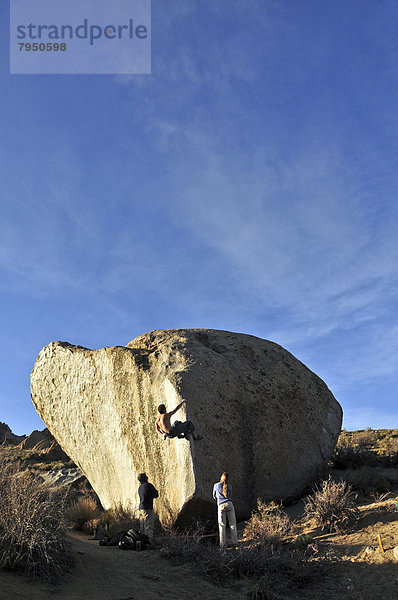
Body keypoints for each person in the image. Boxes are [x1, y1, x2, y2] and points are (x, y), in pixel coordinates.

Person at [213, 472, 238, 548]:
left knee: (222, 525)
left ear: (221, 477)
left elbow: (214, 496)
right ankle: (235, 542)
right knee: (232, 524)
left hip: (221, 505)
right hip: (229, 504)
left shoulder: (216, 485)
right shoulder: (229, 486)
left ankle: (222, 544)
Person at [138, 472, 158, 542]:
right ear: (146, 478)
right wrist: (151, 496)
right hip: (148, 508)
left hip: (141, 508)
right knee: (149, 526)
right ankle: (149, 542)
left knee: (142, 527)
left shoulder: (140, 487)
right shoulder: (148, 485)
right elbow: (156, 494)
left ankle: (142, 542)